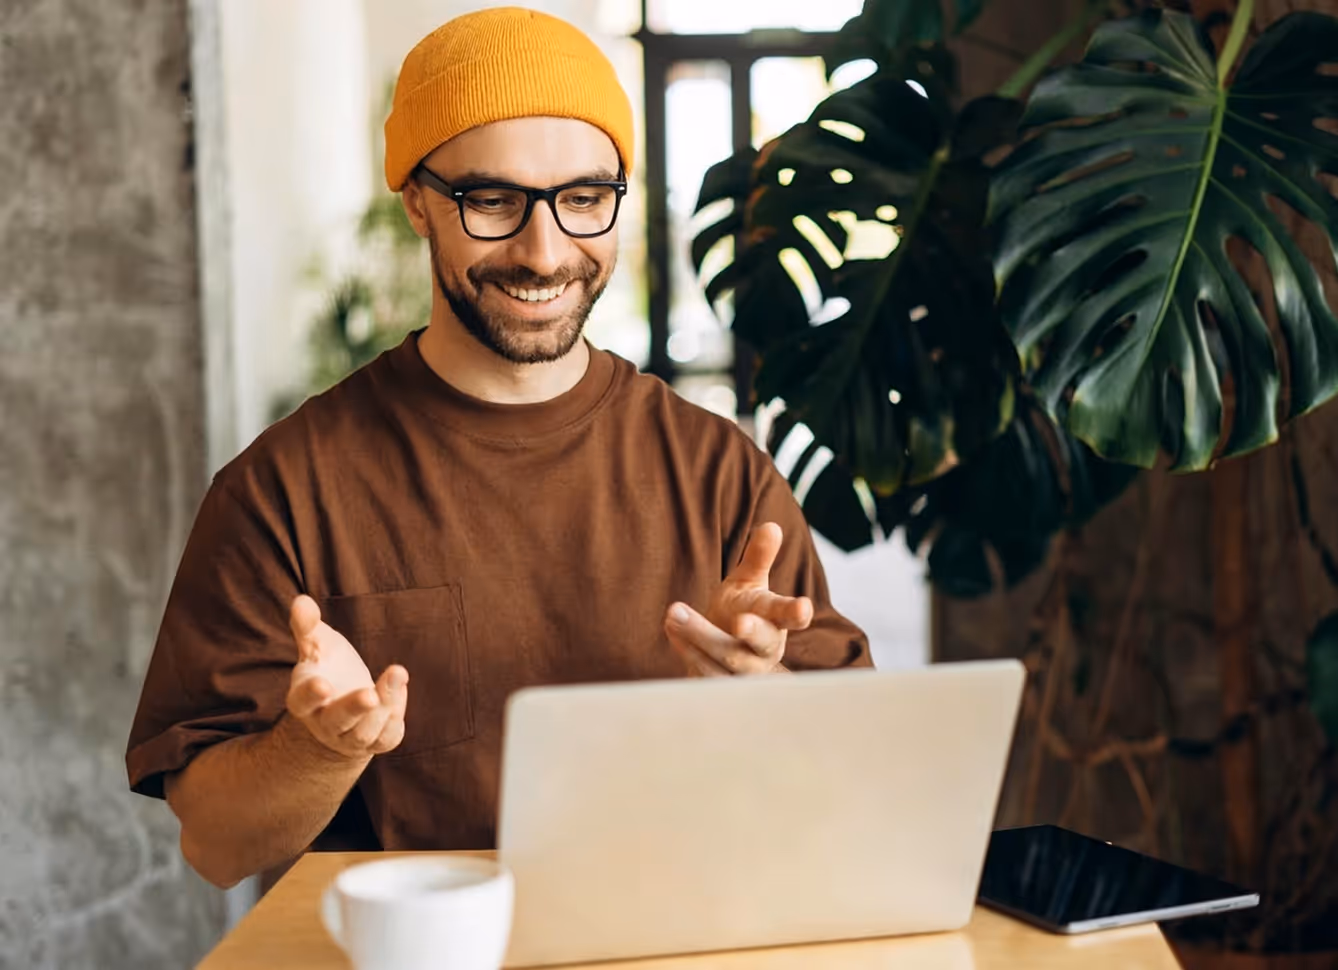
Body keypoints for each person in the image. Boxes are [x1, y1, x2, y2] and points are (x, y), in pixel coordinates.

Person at [125, 5, 870, 890]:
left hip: (673, 939)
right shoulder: (282, 489)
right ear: (416, 203)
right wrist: (319, 749)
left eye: (585, 199)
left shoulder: (716, 472)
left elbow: (853, 787)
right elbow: (215, 843)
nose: (545, 251)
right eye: (493, 201)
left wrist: (765, 699)